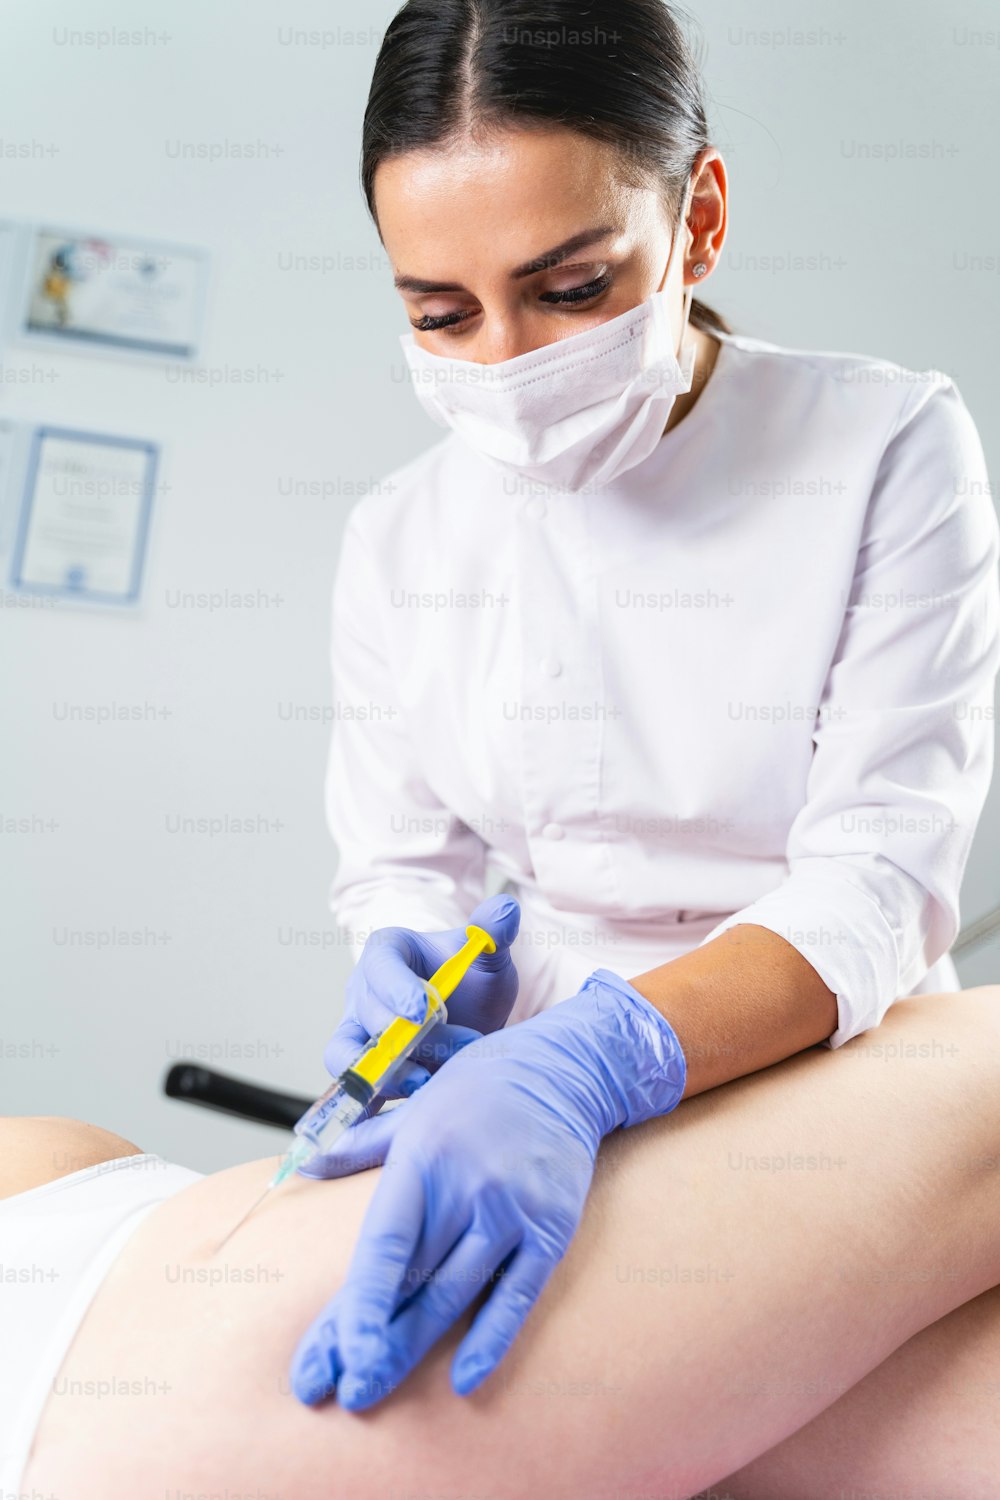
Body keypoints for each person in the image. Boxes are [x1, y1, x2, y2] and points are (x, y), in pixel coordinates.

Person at [296, 0, 1000, 1410]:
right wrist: (413, 975)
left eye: (571, 289)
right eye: (440, 313)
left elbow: (874, 884)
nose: (505, 364)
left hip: (834, 1059)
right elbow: (402, 866)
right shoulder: (398, 537)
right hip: (521, 1091)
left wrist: (599, 1058)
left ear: (701, 221)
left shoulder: (886, 448)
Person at [9, 984, 1000, 1498]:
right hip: (105, 1372)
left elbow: (884, 846)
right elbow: (395, 853)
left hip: (110, 1271)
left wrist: (601, 1044)